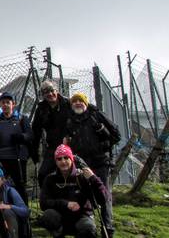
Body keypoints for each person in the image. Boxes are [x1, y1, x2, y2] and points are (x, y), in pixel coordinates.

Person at [64, 93, 120, 237]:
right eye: (74, 101)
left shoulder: (97, 115)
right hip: (82, 163)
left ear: (86, 103)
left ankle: (108, 229)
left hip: (100, 162)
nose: (77, 103)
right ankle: (87, 225)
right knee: (85, 194)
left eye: (80, 101)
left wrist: (103, 140)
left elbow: (116, 135)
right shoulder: (70, 120)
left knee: (104, 195)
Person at [39, 145, 108, 238]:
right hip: (60, 217)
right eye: (59, 159)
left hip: (82, 217)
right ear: (56, 162)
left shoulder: (83, 176)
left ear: (71, 159)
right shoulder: (50, 179)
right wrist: (66, 204)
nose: (63, 161)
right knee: (48, 216)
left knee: (88, 228)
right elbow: (43, 203)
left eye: (66, 158)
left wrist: (94, 179)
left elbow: (103, 199)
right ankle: (58, 234)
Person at [0, 92, 33, 204]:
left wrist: (21, 137)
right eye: (3, 103)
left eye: (8, 102)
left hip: (18, 157)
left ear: (13, 104)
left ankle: (23, 211)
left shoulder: (22, 119)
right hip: (1, 158)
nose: (6, 105)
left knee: (20, 184)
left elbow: (30, 135)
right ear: (0, 104)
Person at [31, 80, 72, 187]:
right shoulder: (41, 109)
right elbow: (36, 131)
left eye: (51, 90)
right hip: (53, 146)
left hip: (70, 145)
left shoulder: (68, 104)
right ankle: (47, 200)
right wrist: (34, 152)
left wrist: (70, 136)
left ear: (57, 91)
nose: (49, 94)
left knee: (73, 174)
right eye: (45, 92)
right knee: (43, 174)